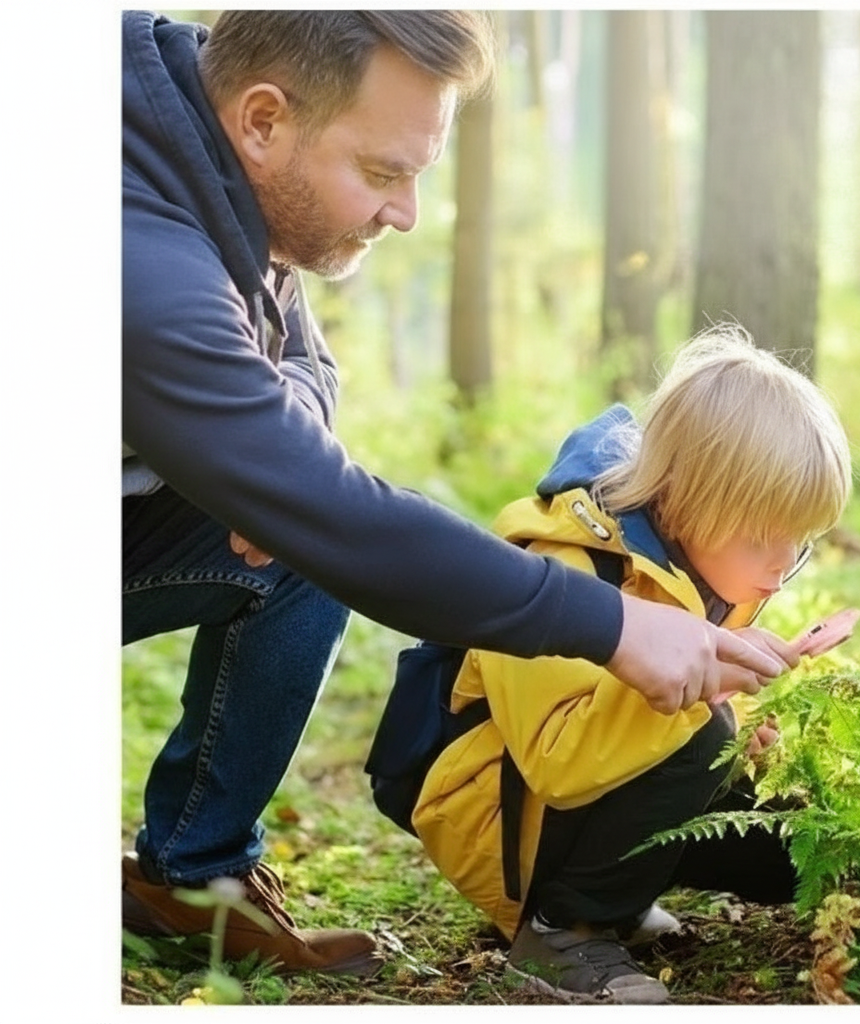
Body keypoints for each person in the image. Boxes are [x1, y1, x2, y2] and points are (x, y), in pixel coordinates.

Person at [121, 10, 784, 977]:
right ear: (263, 120)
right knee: (319, 532)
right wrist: (618, 626)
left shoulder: (204, 141)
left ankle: (193, 880)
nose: (407, 213)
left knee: (297, 553)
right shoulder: (135, 253)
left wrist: (256, 457)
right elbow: (349, 521)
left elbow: (304, 359)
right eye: (384, 172)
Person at [409, 327, 853, 1003]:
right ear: (684, 498)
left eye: (799, 541)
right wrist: (715, 695)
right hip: (500, 821)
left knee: (787, 850)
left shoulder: (700, 564)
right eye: (762, 535)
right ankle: (563, 931)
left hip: (587, 794)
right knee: (699, 735)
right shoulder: (563, 567)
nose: (779, 565)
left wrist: (752, 720)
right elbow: (558, 762)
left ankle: (616, 897)